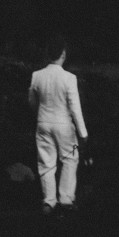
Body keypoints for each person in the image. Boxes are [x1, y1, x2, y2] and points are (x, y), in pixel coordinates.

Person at [27, 36, 88, 213]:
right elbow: (75, 108)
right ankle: (66, 199)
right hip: (64, 125)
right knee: (69, 159)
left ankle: (49, 201)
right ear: (63, 54)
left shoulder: (36, 76)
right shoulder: (69, 78)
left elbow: (31, 101)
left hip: (43, 123)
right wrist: (83, 133)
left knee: (46, 163)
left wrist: (40, 116)